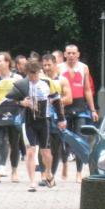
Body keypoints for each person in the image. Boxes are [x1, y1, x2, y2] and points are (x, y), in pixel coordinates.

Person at [4, 60, 67, 191]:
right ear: (26, 73)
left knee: (46, 151)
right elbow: (8, 99)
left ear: (39, 72)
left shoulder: (47, 83)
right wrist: (21, 103)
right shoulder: (22, 84)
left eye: (35, 73)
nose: (32, 77)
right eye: (30, 74)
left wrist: (61, 119)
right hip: (28, 122)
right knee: (30, 151)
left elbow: (57, 101)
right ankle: (32, 182)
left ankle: (48, 172)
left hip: (44, 121)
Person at [58, 44, 99, 182]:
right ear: (64, 54)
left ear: (78, 54)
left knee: (79, 139)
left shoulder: (84, 67)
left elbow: (87, 89)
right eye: (68, 53)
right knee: (64, 138)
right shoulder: (59, 68)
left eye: (73, 53)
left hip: (80, 105)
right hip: (64, 106)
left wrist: (92, 110)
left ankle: (79, 172)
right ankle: (64, 162)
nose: (71, 55)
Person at [0, 52, 22, 183]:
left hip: (14, 112)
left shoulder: (17, 78)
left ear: (7, 62)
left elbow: (22, 96)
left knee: (14, 144)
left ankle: (14, 171)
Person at [41, 54, 72, 183]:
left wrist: (54, 102)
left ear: (55, 65)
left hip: (57, 117)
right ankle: (44, 174)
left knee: (54, 147)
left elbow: (69, 98)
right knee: (43, 147)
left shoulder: (62, 80)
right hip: (42, 117)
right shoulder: (39, 79)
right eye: (44, 65)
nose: (47, 67)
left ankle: (51, 175)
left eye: (49, 65)